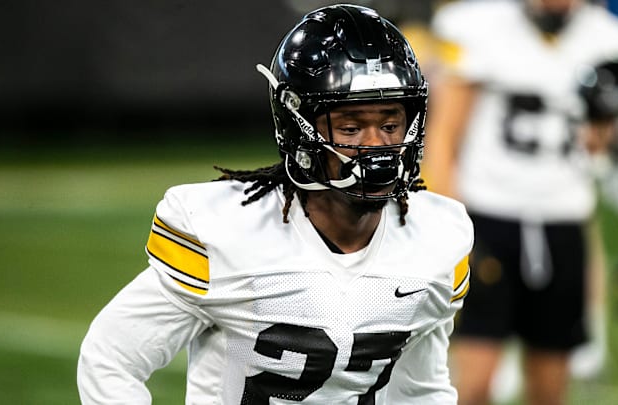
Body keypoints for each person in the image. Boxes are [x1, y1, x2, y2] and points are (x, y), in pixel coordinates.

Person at [76, 4, 474, 404]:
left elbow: (420, 391)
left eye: (390, 125)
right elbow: (111, 359)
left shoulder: (437, 239)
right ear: (298, 128)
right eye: (351, 127)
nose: (377, 146)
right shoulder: (229, 231)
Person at [423, 0, 618, 403]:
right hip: (488, 219)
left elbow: (615, 154)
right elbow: (442, 138)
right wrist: (450, 230)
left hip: (563, 223)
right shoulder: (479, 26)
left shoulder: (613, 40)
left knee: (550, 387)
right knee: (473, 385)